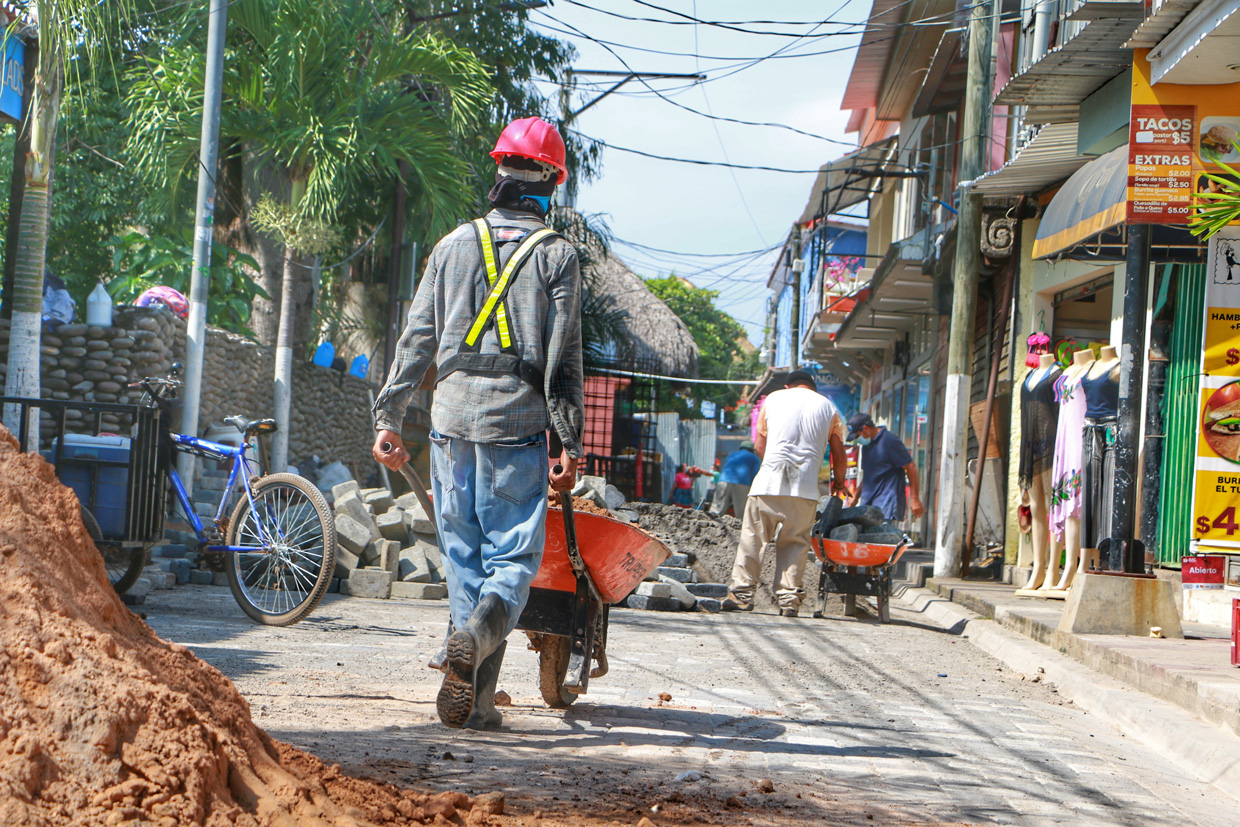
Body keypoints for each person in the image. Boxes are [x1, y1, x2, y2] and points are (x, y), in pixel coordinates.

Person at [372, 116, 583, 731]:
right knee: (512, 565)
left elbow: (416, 339)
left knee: (464, 563)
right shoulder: (557, 257)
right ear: (549, 180)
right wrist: (569, 441)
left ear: (501, 171)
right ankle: (476, 659)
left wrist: (389, 414)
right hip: (515, 424)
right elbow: (564, 357)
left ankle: (480, 701)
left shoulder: (452, 244)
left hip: (449, 422)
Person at [722, 371, 848, 617]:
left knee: (752, 540)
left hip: (767, 486)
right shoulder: (829, 407)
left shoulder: (773, 399)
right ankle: (789, 601)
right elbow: (839, 454)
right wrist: (839, 483)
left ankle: (741, 597)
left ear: (788, 386)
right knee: (796, 544)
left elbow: (760, 446)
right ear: (813, 388)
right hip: (805, 490)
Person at [845, 413, 925, 521]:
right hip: (868, 504)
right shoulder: (866, 446)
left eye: (857, 436)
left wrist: (915, 498)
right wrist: (855, 496)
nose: (857, 440)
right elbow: (869, 475)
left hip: (887, 505)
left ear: (866, 429)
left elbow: (911, 466)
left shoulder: (889, 440)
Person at [711, 439, 760, 517]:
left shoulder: (732, 455)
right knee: (742, 513)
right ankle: (741, 528)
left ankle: (709, 525)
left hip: (723, 480)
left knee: (716, 508)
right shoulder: (754, 458)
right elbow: (755, 475)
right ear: (752, 450)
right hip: (742, 483)